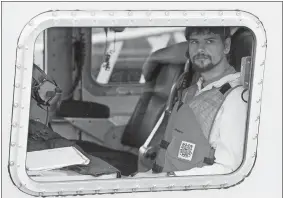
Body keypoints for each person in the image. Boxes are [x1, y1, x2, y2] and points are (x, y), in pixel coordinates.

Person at [133, 26, 248, 177]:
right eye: (194, 41)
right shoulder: (191, 91)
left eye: (209, 41)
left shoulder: (235, 97)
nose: (200, 49)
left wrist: (170, 178)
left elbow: (228, 171)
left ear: (226, 46)